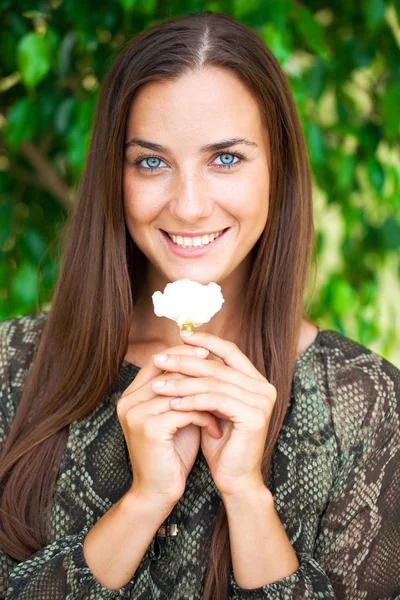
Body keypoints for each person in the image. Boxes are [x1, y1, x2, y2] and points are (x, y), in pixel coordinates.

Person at [0, 10, 399, 600]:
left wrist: (246, 493)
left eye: (227, 158)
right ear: (116, 174)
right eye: (152, 162)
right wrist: (142, 502)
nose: (188, 207)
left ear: (279, 171)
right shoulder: (10, 366)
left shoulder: (367, 406)